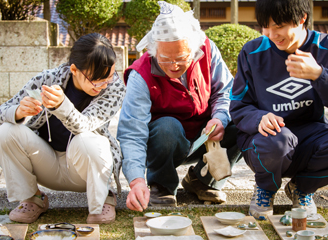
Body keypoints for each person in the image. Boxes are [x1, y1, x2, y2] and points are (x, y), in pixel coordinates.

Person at [117, 1, 241, 211]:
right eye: (165, 59)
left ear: (194, 50)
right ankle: (161, 185)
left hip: (206, 136)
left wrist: (219, 117)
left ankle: (203, 181)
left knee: (240, 119)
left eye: (181, 58)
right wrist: (136, 180)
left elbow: (225, 91)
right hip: (165, 142)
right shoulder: (141, 74)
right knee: (167, 127)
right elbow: (132, 132)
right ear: (154, 51)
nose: (173, 66)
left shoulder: (208, 51)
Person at [0, 33, 126, 224]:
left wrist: (62, 106)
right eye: (97, 80)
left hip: (85, 169)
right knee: (5, 132)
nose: (103, 85)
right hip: (46, 162)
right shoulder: (48, 79)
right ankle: (32, 198)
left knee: (89, 140)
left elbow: (85, 125)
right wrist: (19, 111)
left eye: (109, 77)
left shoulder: (115, 88)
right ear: (74, 69)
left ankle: (101, 199)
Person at [230, 0, 328, 220]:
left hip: (310, 135)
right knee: (276, 140)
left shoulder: (324, 48)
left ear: (302, 18)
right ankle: (266, 188)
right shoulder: (253, 52)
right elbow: (238, 105)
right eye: (265, 26)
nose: (272, 34)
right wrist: (259, 118)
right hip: (266, 139)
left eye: (279, 26)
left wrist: (318, 74)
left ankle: (302, 189)